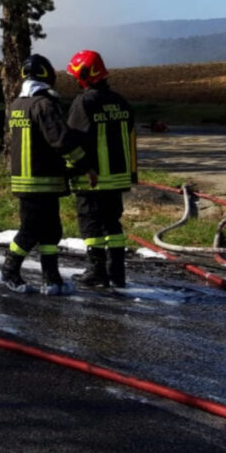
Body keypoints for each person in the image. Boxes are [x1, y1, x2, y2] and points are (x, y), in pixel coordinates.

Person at [0, 54, 87, 295]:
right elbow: (60, 140)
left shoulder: (17, 105)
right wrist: (84, 164)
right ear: (46, 75)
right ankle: (9, 271)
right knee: (31, 230)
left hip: (30, 180)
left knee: (50, 230)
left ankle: (52, 279)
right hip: (41, 180)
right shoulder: (44, 105)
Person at [65, 50, 137, 288]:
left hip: (93, 177)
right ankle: (117, 273)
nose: (76, 80)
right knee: (113, 225)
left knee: (91, 225)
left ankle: (96, 271)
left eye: (78, 75)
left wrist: (75, 169)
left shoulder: (84, 102)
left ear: (86, 75)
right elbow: (129, 133)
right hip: (117, 177)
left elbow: (73, 139)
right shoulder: (120, 101)